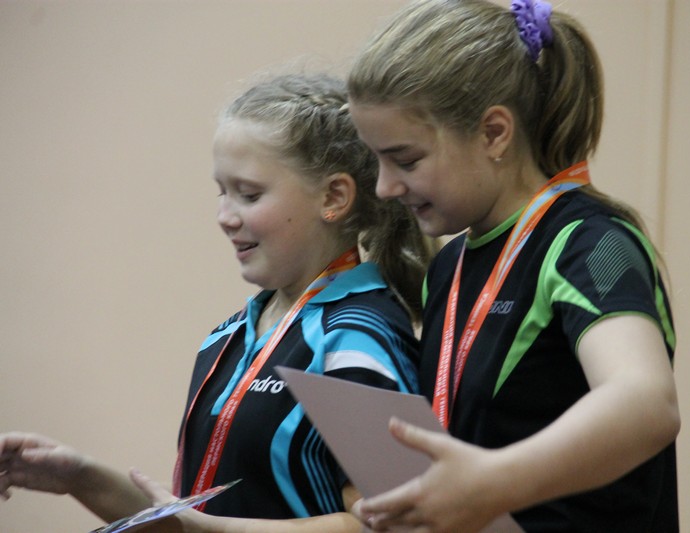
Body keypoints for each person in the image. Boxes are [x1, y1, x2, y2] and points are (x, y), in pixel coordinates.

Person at [0, 72, 432, 532]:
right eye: (222, 192)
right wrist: (79, 477)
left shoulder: (357, 337)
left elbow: (395, 525)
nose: (225, 217)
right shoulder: (228, 336)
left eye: (249, 194)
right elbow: (192, 522)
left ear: (333, 196)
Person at [345, 0, 681, 531]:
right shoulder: (449, 266)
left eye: (406, 160)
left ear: (494, 133)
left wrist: (493, 482)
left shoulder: (593, 242)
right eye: (377, 160)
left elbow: (647, 403)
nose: (385, 187)